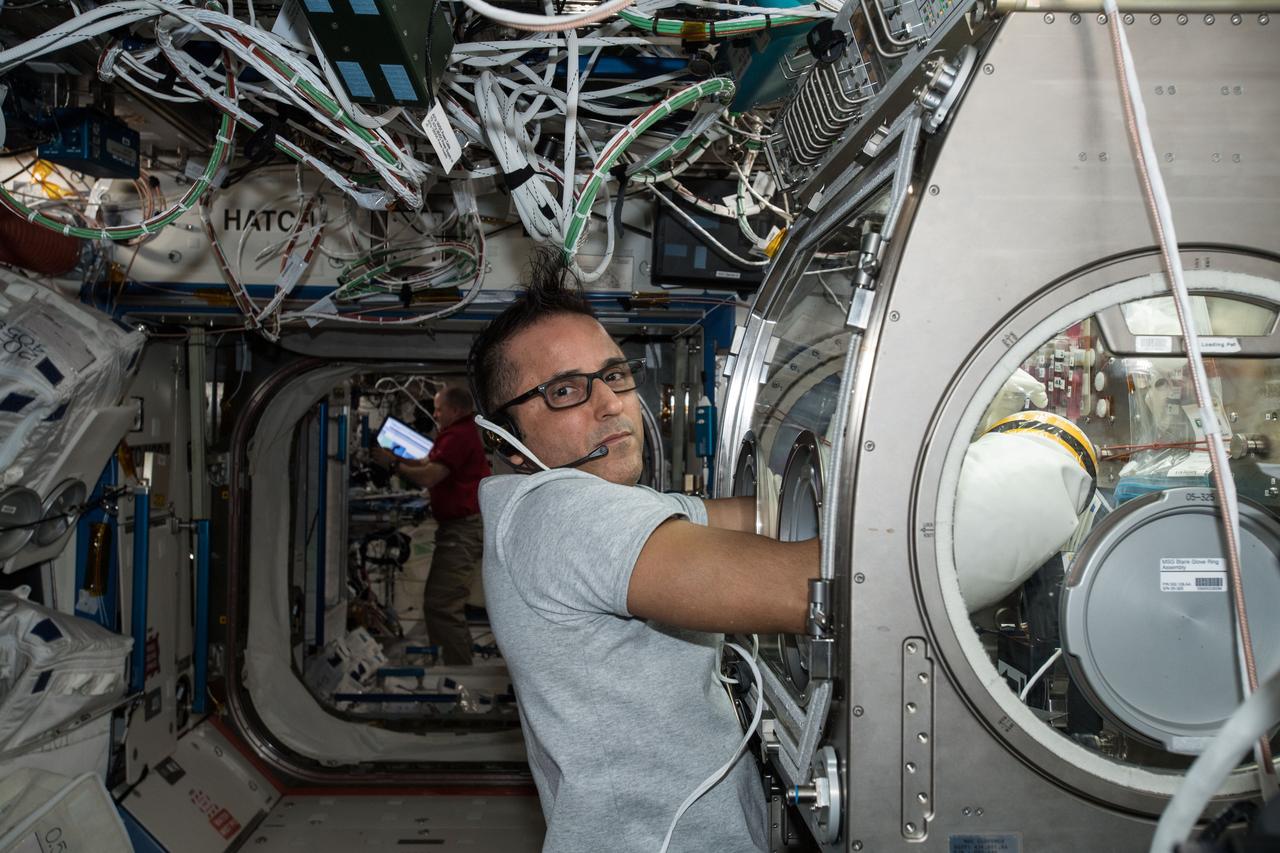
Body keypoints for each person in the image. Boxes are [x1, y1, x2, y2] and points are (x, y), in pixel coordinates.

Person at [468, 255, 818, 853]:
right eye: (564, 391)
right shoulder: (564, 514)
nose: (609, 404)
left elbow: (758, 514)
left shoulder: (587, 508)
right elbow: (809, 587)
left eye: (614, 375)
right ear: (506, 439)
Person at [374, 385, 491, 665]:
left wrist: (392, 467)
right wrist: (396, 457)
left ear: (456, 410)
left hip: (463, 528)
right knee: (442, 603)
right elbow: (428, 461)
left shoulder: (459, 434)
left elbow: (430, 476)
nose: (435, 414)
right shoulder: (455, 434)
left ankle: (458, 676)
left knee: (442, 606)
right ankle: (452, 665)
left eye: (439, 409)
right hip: (461, 527)